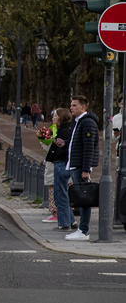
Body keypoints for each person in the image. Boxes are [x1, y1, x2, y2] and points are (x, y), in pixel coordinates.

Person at [61, 95, 99, 240]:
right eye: (71, 105)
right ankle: (82, 230)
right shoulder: (78, 122)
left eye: (74, 105)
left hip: (80, 166)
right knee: (81, 197)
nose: (71, 108)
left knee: (84, 198)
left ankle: (83, 230)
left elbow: (89, 147)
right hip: (75, 164)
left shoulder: (87, 122)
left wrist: (85, 169)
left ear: (83, 107)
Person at [51, 107, 76, 231]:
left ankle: (64, 222)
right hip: (63, 163)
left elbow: (65, 148)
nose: (53, 118)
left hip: (61, 163)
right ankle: (70, 220)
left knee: (60, 193)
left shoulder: (64, 131)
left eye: (55, 116)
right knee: (61, 193)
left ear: (61, 117)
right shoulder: (66, 129)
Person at [39, 117, 59, 224]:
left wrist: (42, 141)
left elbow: (50, 149)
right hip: (56, 165)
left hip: (54, 165)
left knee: (54, 190)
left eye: (55, 116)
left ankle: (56, 214)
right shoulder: (55, 128)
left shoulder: (56, 130)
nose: (52, 118)